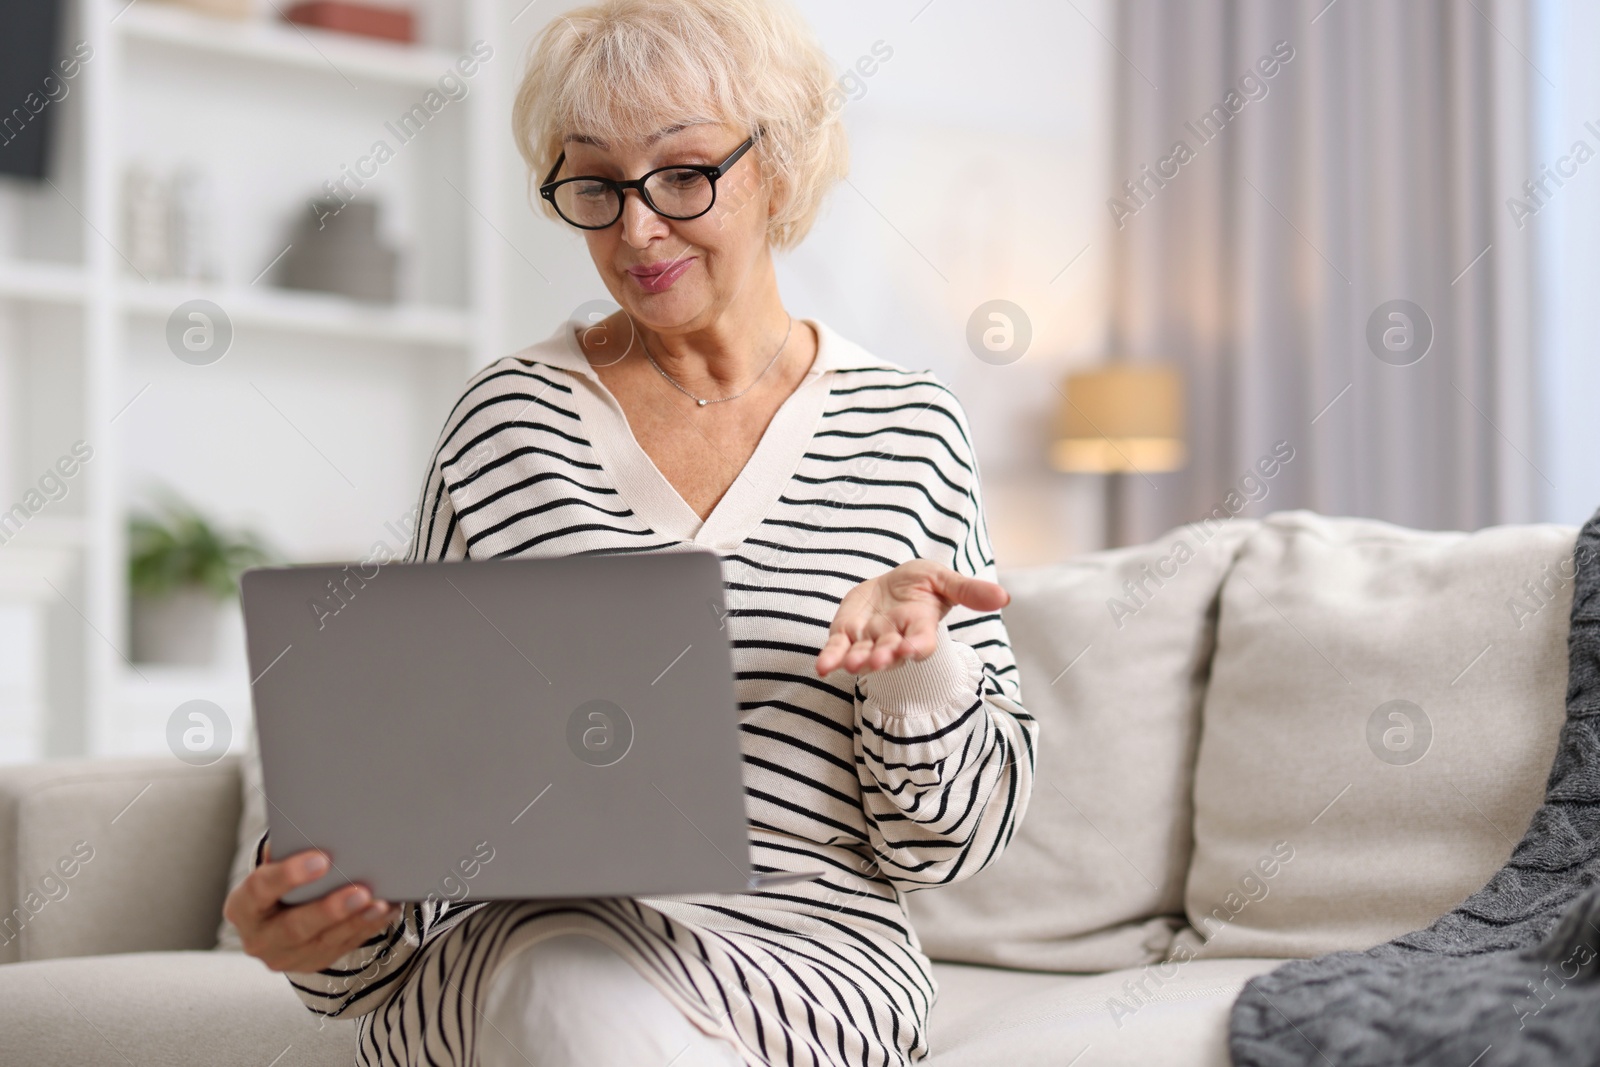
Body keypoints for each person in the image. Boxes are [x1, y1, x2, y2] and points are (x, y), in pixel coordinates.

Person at [223, 1, 1037, 1064]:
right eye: (595, 183)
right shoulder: (504, 422)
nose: (635, 229)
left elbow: (953, 848)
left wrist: (912, 669)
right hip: (517, 960)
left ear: (779, 165)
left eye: (684, 174)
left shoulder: (907, 427)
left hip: (800, 982)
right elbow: (416, 815)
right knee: (565, 976)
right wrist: (324, 911)